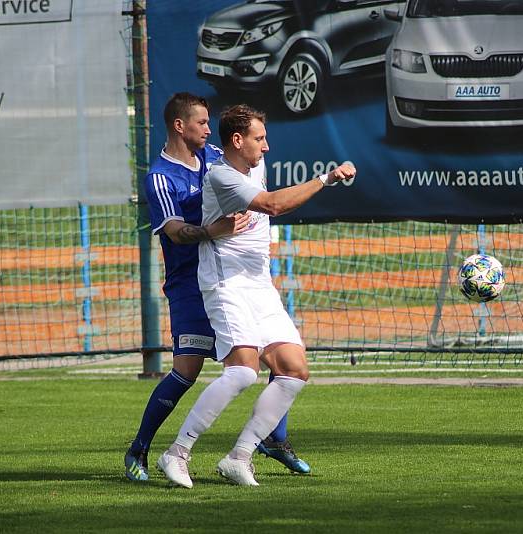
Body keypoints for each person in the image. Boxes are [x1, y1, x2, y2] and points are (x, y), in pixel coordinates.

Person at [158, 104, 356, 487]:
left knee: (294, 368)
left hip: (259, 283)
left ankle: (240, 456)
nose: (266, 147)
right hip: (225, 283)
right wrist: (326, 178)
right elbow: (272, 205)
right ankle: (177, 452)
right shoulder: (222, 175)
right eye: (259, 138)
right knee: (244, 371)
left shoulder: (252, 166)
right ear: (237, 140)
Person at [124, 93, 311, 482]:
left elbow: (256, 189)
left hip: (238, 278)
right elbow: (176, 233)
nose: (209, 130)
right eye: (201, 123)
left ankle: (272, 440)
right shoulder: (161, 177)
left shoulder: (218, 157)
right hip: (192, 284)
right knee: (188, 371)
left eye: (211, 123)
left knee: (279, 358)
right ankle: (140, 450)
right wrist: (213, 231)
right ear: (180, 126)